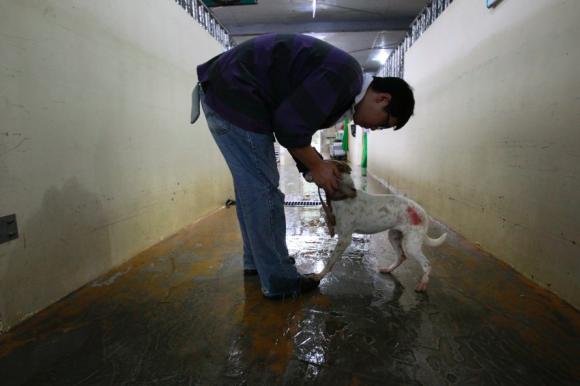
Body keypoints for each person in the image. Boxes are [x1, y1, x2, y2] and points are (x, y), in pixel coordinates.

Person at [192, 33, 415, 299]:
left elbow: (295, 123)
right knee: (263, 189)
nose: (375, 128)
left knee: (252, 187)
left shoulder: (345, 89)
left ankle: (257, 263)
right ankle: (280, 281)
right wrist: (315, 165)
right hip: (234, 93)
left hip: (228, 91)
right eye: (383, 122)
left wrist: (312, 166)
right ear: (383, 99)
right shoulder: (345, 77)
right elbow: (289, 126)